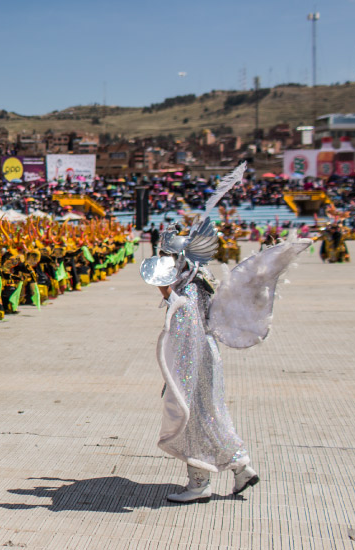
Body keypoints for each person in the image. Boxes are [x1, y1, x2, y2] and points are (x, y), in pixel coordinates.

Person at [140, 164, 308, 503]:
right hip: (208, 359)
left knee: (194, 419)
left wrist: (167, 295)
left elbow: (185, 332)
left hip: (195, 364)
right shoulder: (201, 284)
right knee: (212, 414)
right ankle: (242, 467)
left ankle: (199, 484)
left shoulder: (184, 296)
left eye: (167, 260)